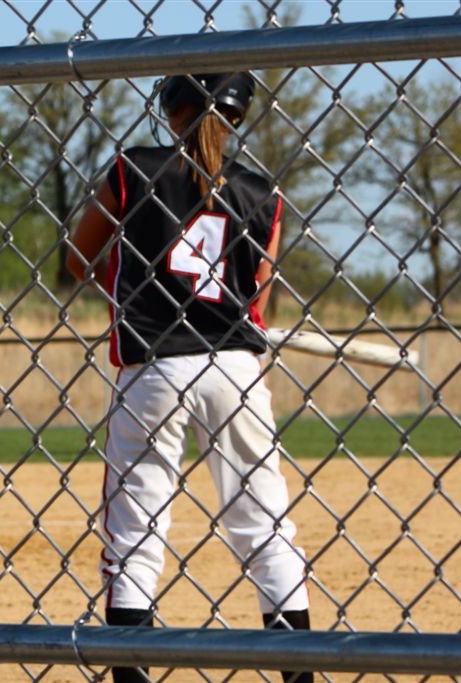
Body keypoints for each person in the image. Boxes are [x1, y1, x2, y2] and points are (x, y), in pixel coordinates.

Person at [67, 73, 312, 683]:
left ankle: (131, 673)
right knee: (265, 526)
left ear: (172, 109)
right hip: (236, 367)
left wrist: (132, 285)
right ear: (235, 118)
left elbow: (78, 257)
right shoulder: (262, 193)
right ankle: (299, 674)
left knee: (135, 532)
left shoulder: (134, 170)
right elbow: (257, 296)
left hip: (155, 364)